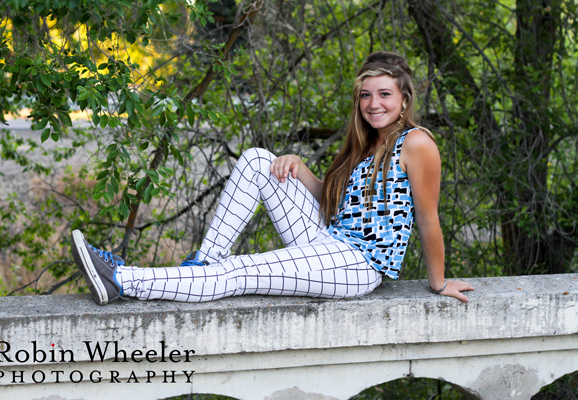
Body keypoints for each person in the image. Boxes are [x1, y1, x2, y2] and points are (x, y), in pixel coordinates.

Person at [71, 51, 474, 306]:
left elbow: (427, 218)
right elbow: (333, 204)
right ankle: (203, 264)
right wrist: (297, 167)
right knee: (258, 159)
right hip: (329, 239)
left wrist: (437, 284)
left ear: (404, 99)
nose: (374, 104)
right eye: (366, 95)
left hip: (359, 264)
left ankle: (122, 280)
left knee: (240, 271)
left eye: (384, 94)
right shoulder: (365, 143)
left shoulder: (416, 143)